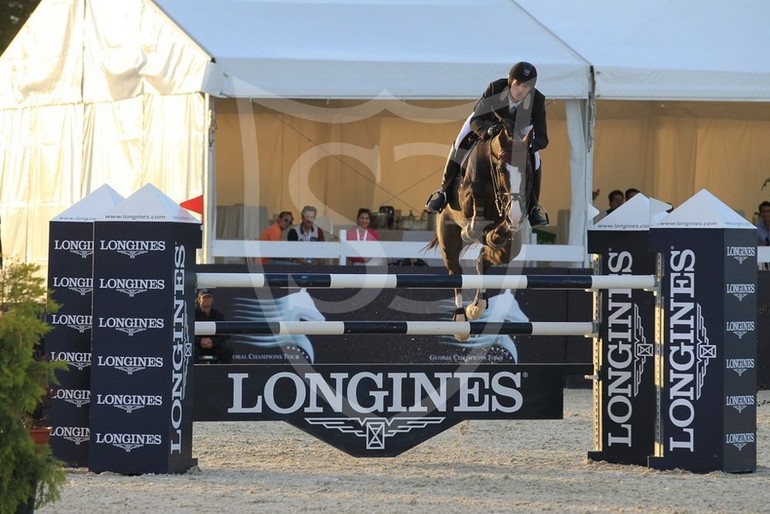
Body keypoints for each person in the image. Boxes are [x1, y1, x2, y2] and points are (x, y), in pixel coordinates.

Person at [425, 61, 549, 235]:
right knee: (460, 141)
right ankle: (443, 191)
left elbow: (543, 138)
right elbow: (477, 119)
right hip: (486, 123)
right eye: (518, 84)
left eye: (527, 86)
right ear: (510, 81)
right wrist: (487, 131)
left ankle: (533, 207)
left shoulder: (537, 99)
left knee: (536, 159)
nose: (521, 90)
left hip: (519, 131)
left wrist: (528, 146)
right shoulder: (496, 88)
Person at [194, 289, 232, 364]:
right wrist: (200, 341)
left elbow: (226, 334)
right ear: (199, 300)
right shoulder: (192, 315)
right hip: (197, 346)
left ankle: (222, 374)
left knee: (228, 351)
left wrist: (212, 341)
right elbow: (186, 333)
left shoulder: (218, 315)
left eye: (209, 297)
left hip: (214, 346)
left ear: (212, 300)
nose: (207, 299)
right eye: (204, 297)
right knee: (190, 351)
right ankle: (194, 374)